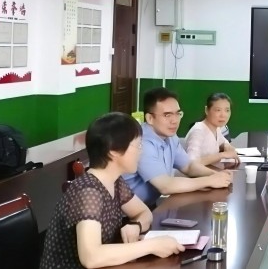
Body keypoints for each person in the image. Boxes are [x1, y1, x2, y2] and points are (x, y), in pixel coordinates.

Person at [40, 112, 185, 268]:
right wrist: (151, 246)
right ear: (113, 151)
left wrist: (135, 226)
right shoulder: (88, 191)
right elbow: (91, 257)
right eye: (137, 145)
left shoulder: (114, 181)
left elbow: (144, 213)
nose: (141, 151)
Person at [123, 87, 232, 207]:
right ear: (150, 118)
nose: (175, 120)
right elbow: (165, 186)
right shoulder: (141, 143)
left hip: (148, 205)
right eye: (167, 115)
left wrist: (215, 175)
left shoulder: (169, 136)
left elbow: (188, 166)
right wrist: (209, 181)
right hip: (127, 214)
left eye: (178, 114)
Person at [184, 93, 239, 166]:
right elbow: (191, 163)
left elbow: (223, 142)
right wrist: (223, 155)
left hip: (210, 171)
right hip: (196, 173)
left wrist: (227, 146)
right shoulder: (198, 131)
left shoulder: (217, 128)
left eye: (227, 110)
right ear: (206, 110)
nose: (223, 115)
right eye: (218, 110)